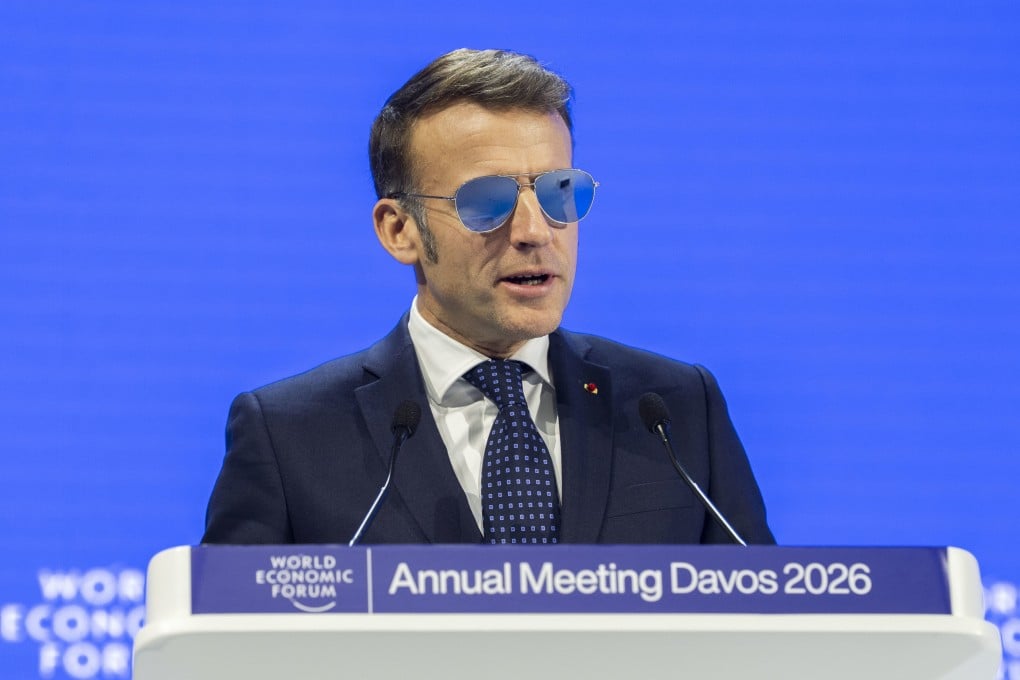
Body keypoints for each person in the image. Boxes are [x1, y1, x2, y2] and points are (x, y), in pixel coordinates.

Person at [202, 48, 774, 545]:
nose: (535, 230)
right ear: (399, 230)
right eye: (486, 201)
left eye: (559, 191)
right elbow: (228, 635)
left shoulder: (673, 410)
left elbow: (764, 618)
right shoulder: (289, 435)